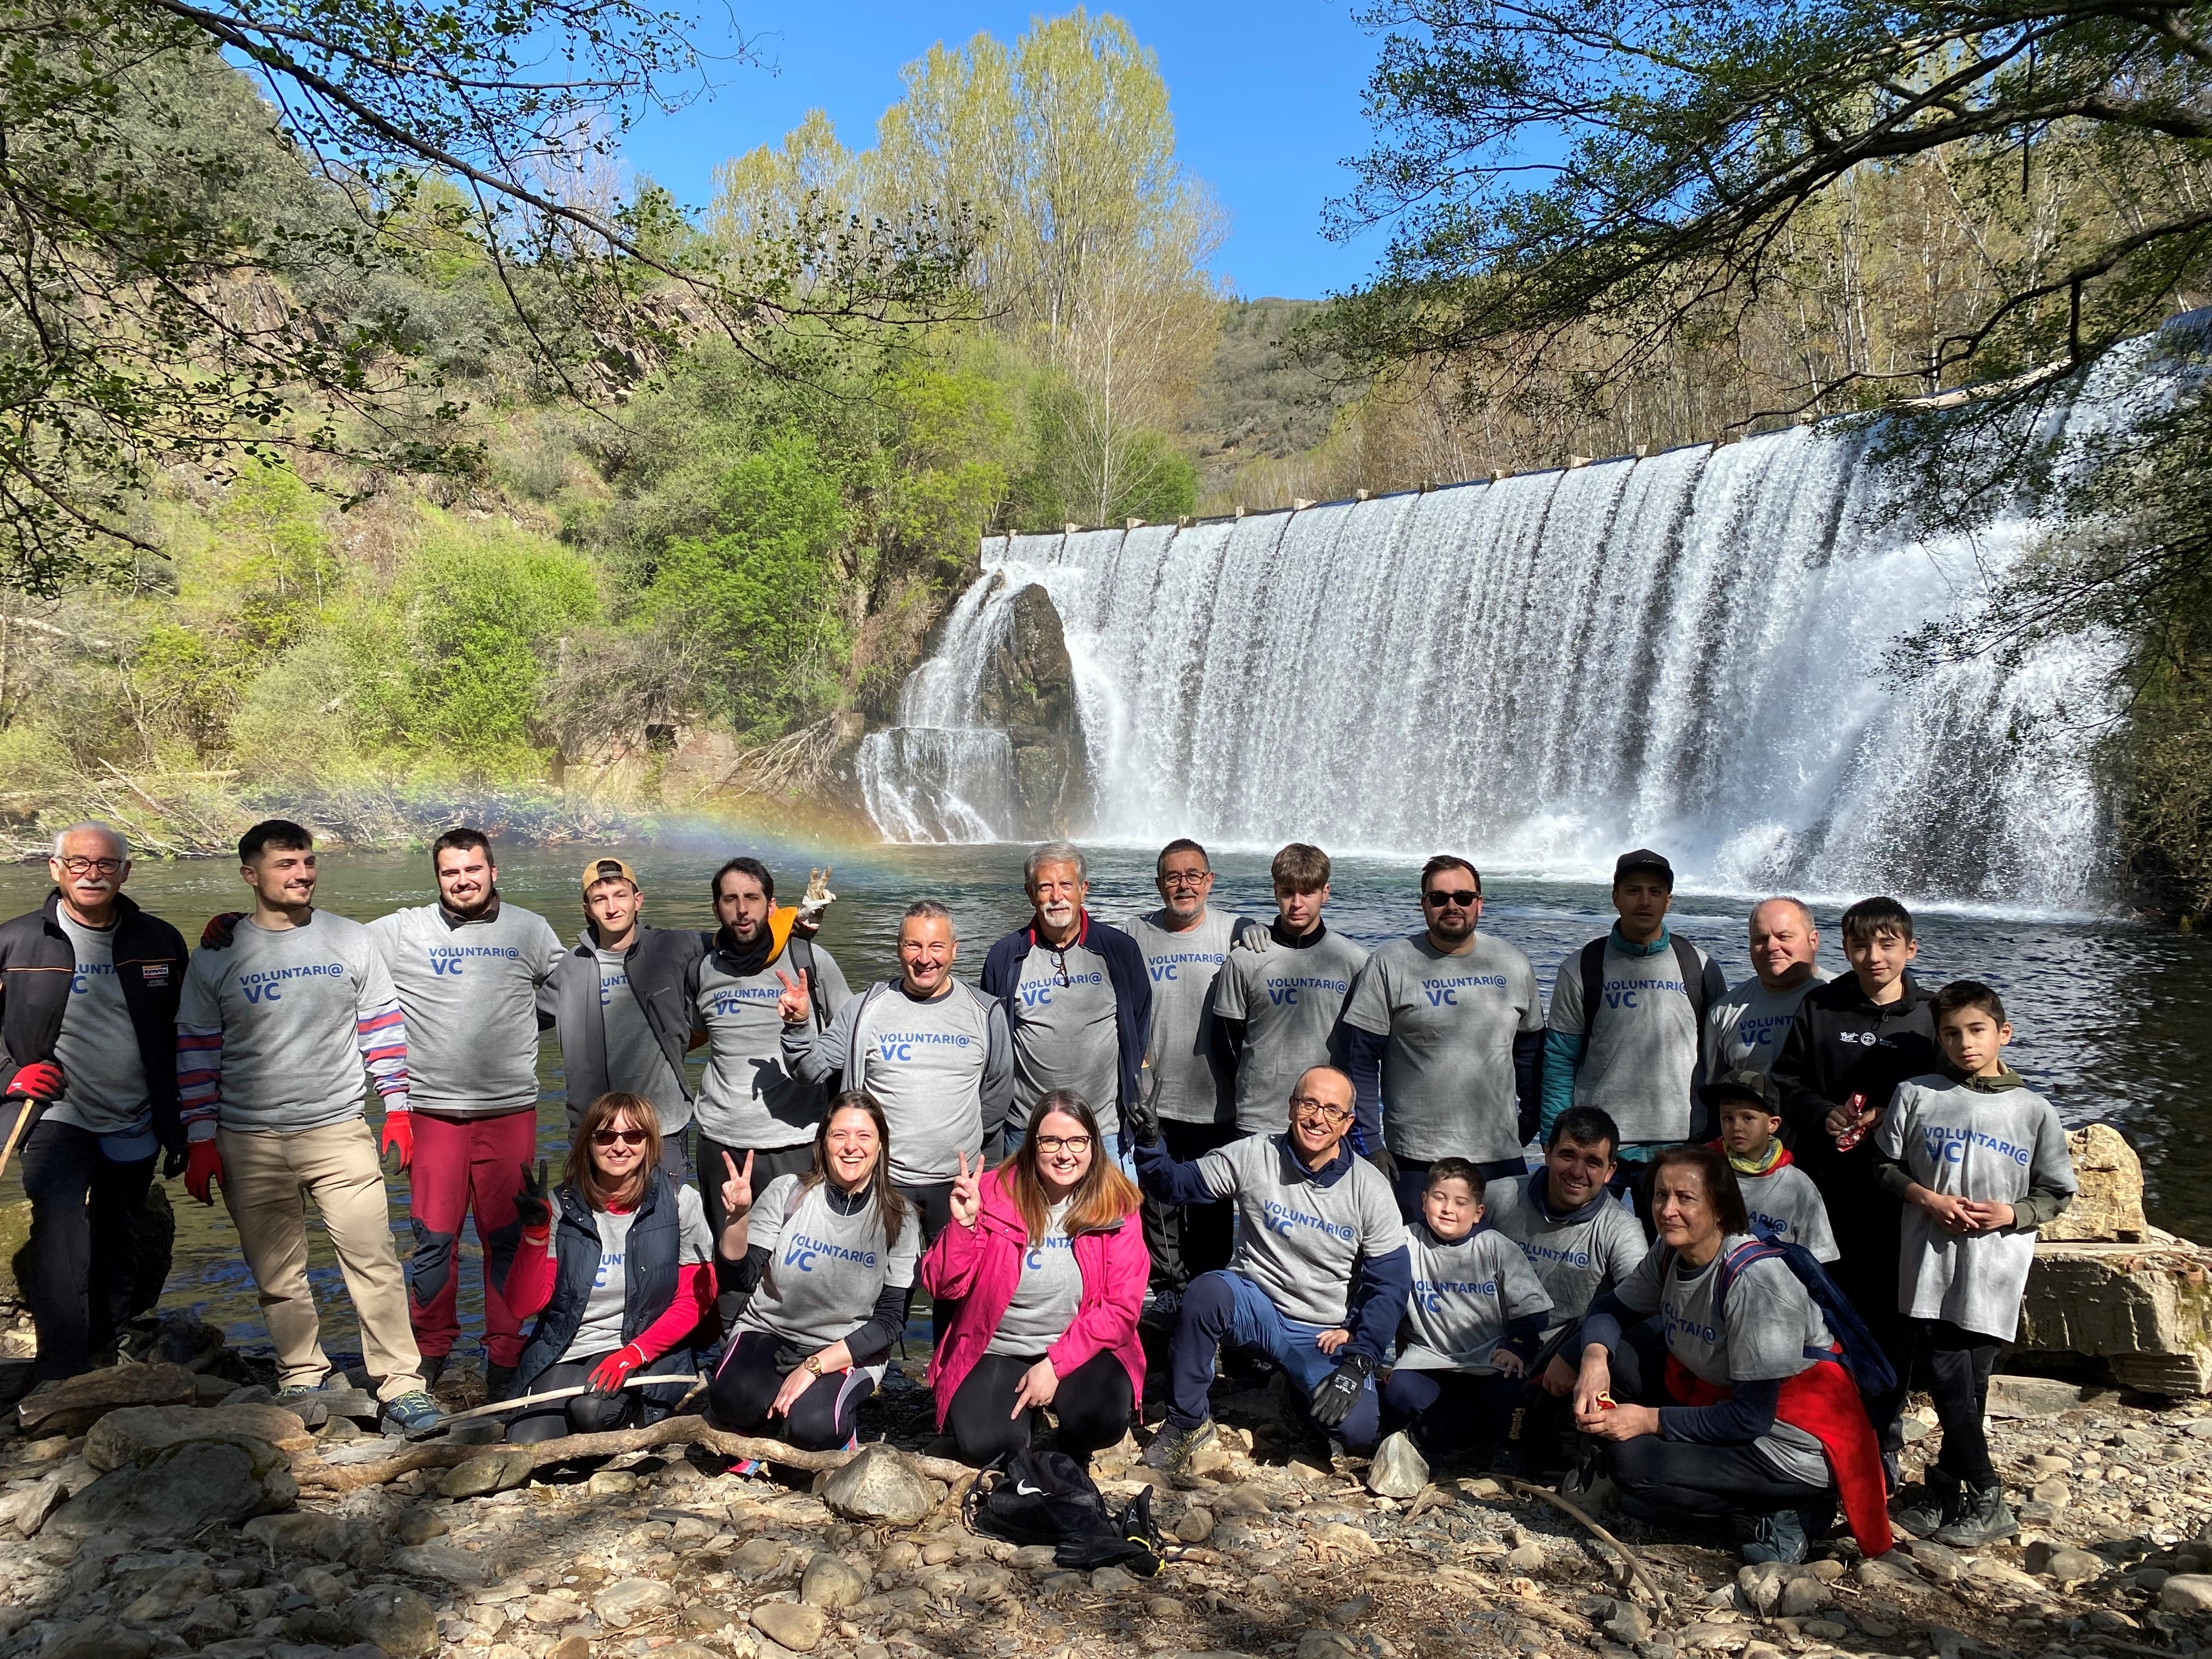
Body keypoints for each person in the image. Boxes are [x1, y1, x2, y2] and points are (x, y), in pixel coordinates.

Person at [175, 820, 443, 1437]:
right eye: (284, 865)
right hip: (249, 1139)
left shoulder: (349, 939)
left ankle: (401, 1384)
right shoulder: (217, 954)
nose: (300, 875)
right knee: (277, 1273)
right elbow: (196, 1049)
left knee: (374, 1260)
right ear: (251, 875)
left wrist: (397, 1107)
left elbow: (381, 1026)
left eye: (306, 862)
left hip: (338, 1130)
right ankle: (301, 1373)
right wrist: (199, 1138)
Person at [1574, 1146, 1892, 1566]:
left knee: (1632, 1464)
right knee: (1618, 1355)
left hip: (1791, 1435)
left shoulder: (1754, 1282)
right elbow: (1610, 1309)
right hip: (1721, 1394)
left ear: (1721, 1208)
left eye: (1685, 1199)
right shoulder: (1671, 1253)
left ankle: (1792, 1505)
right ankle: (1710, 1496)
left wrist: (1646, 1420)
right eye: (1660, 1195)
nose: (1667, 1210)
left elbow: (1750, 1418)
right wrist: (1592, 1363)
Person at [1132, 1065, 1411, 1471]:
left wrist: (1361, 1358)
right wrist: (1152, 1147)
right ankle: (1187, 1422)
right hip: (1255, 1305)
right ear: (1290, 1107)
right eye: (1309, 1104)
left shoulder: (1370, 1188)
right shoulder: (1255, 1153)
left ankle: (1296, 1394)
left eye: (1333, 1110)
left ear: (1349, 1122)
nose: (1318, 1118)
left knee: (1357, 1432)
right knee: (1206, 1292)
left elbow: (1391, 1284)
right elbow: (1178, 1186)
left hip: (1320, 1331)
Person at [365, 828, 562, 1397]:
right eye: (451, 872)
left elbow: (577, 984)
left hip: (508, 1111)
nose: (463, 880)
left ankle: (504, 1354)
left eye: (473, 869)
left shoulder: (530, 929)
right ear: (438, 878)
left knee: (506, 1238)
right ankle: (430, 1352)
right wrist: (241, 927)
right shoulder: (404, 930)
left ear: (494, 870)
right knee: (433, 1240)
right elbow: (332, 948)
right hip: (430, 1112)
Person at [1878, 981, 2076, 1545]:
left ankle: (1976, 1493)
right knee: (1946, 1374)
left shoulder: (2033, 1110)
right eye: (1951, 1033)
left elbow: (2057, 1192)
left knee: (1969, 1380)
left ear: (2002, 1033)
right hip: (1930, 1265)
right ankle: (1957, 1489)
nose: (1964, 1043)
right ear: (1938, 1038)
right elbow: (1883, 1166)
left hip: (1995, 1268)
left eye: (1977, 1031)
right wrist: (1928, 1200)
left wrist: (2011, 1213)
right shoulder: (1918, 1093)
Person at [0, 824, 187, 1380]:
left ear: (126, 872)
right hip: (56, 1112)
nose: (92, 874)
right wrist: (12, 1075)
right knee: (61, 1237)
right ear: (56, 869)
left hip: (135, 1112)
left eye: (106, 865)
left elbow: (189, 1027)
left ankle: (107, 1347)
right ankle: (60, 1367)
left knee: (120, 1229)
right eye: (78, 863)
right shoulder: (16, 941)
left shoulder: (160, 941)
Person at [1769, 895, 1941, 1451]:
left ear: (1911, 949)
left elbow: (1950, 1096)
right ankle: (1821, 1421)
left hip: (1901, 1194)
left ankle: (1883, 1430)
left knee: (1893, 1312)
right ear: (1844, 947)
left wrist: (1894, 1115)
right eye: (1861, 945)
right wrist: (1825, 1114)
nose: (1874, 957)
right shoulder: (1821, 1006)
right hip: (1827, 1186)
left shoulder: (1932, 1018)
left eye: (1888, 945)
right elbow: (1785, 1085)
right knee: (1823, 1300)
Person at [921, 1090, 1149, 1466]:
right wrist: (963, 1226)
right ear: (1032, 1145)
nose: (1065, 1154)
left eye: (1077, 1141)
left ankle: (1062, 1444)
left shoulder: (1118, 1204)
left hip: (1080, 1348)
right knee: (987, 1447)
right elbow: (943, 1286)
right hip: (999, 1346)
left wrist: (1056, 1366)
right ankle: (1024, 1433)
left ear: (1093, 1145)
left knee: (1102, 1421)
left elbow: (1122, 1309)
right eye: (1051, 1141)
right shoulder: (991, 1193)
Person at [781, 900, 1013, 1248]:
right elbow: (810, 1069)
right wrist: (799, 1025)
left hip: (956, 1184)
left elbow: (996, 1095)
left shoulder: (985, 1012)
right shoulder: (864, 1008)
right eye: (913, 945)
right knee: (883, 1297)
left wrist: (959, 1141)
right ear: (899, 948)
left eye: (936, 946)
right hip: (880, 1183)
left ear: (954, 949)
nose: (925, 958)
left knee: (955, 1291)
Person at [707, 1092, 917, 1455]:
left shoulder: (900, 1217)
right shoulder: (788, 1193)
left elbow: (889, 1323)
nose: (851, 1147)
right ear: (823, 1142)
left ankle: (806, 1412)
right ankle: (764, 1410)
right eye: (839, 1135)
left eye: (864, 1136)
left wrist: (814, 1367)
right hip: (769, 1329)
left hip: (843, 1348)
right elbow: (738, 1278)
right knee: (732, 1401)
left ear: (880, 1145)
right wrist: (737, 1218)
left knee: (814, 1430)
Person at [502, 1091, 715, 1442]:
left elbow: (696, 1299)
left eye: (633, 1136)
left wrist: (635, 1352)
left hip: (646, 1347)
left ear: (649, 1144)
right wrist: (535, 1235)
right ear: (588, 1142)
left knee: (593, 1412)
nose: (619, 1147)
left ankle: (635, 1425)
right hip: (569, 1346)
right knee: (526, 1442)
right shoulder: (558, 1206)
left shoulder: (680, 1202)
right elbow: (523, 1306)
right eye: (605, 1136)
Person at [689, 857, 851, 1313]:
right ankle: (730, 1355)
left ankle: (802, 1348)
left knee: (799, 1259)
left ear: (771, 905)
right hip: (721, 1141)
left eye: (752, 899)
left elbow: (850, 1036)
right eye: (731, 900)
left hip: (795, 1142)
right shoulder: (703, 970)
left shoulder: (810, 961)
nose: (742, 910)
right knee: (731, 1260)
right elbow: (688, 1033)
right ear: (718, 908)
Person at [1341, 856, 1543, 1218]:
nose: (1452, 906)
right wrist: (1370, 1143)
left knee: (1501, 1267)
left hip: (1500, 1157)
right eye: (1439, 898)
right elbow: (1360, 1060)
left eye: (1464, 897)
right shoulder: (1389, 963)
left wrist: (1529, 1121)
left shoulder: (1514, 963)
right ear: (1424, 905)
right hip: (1415, 1158)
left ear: (1479, 903)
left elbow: (1530, 1054)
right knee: (1417, 1269)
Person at [1122, 839, 1265, 1308]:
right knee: (1158, 1209)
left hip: (1217, 1101)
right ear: (1159, 884)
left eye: (1192, 875)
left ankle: (1207, 1301)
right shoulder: (1134, 935)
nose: (1183, 885)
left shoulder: (1238, 933)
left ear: (1209, 881)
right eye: (1172, 877)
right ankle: (1166, 1298)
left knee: (1211, 1209)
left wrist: (1265, 932)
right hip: (1153, 1102)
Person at [1541, 850, 1727, 1195]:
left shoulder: (1700, 967)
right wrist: (1554, 1137)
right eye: (1634, 890)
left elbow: (1719, 1061)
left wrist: (1717, 1137)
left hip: (1680, 1145)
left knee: (1676, 1247)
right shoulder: (1581, 967)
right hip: (1596, 1145)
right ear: (1616, 897)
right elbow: (1559, 1060)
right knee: (1588, 1244)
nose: (1645, 901)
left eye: (1655, 892)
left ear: (1669, 901)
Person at [1481, 1106, 1649, 1470]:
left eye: (1593, 1162)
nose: (1577, 1172)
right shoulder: (1497, 1197)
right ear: (1547, 1152)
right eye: (1568, 1155)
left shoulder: (1621, 1229)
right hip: (1483, 1343)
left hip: (1556, 1360)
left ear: (1610, 1172)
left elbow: (1642, 1308)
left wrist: (1577, 1355)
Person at [981, 842, 1150, 1166]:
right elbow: (995, 1039)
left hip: (1107, 1130)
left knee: (1112, 1217)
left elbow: (1138, 1024)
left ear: (1083, 890)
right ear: (1031, 894)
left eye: (1066, 885)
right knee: (1025, 1218)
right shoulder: (1004, 956)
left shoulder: (1120, 950)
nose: (1057, 896)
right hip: (1026, 1129)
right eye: (1045, 886)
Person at [1379, 1158, 1551, 1462]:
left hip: (1489, 1360)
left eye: (1461, 1203)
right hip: (1433, 1359)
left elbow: (1533, 1312)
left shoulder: (1497, 1248)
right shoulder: (1406, 1242)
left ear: (1478, 1212)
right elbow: (1380, 1292)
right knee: (1399, 1393)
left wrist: (1517, 1348)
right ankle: (1456, 1432)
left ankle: (1511, 1450)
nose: (1448, 1209)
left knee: (1510, 1393)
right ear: (1423, 1201)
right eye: (1439, 1198)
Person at [544, 857, 704, 1182]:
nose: (612, 907)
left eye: (620, 896)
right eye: (600, 899)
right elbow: (521, 1019)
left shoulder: (673, 946)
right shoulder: (571, 967)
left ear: (638, 900)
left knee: (667, 1225)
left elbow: (742, 945)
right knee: (592, 1229)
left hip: (662, 1127)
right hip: (594, 1131)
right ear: (588, 909)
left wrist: (796, 925)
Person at [1209, 844, 1368, 1135]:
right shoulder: (1245, 958)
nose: (1297, 903)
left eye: (1307, 893)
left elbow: (1363, 1049)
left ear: (1326, 892)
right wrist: (1259, 1082)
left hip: (1328, 1120)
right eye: (1287, 892)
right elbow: (1226, 1043)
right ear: (1275, 892)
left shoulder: (1355, 961)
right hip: (1259, 1118)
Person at [1706, 1069, 1838, 1261]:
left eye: (1748, 1118)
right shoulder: (1703, 1173)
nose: (1736, 1127)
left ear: (1773, 1124)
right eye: (1728, 1118)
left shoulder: (1798, 1186)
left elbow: (1818, 1256)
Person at [1708, 899, 1828, 1076]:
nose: (1772, 947)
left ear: (1814, 941)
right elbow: (1712, 1091)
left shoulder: (1851, 998)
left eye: (1784, 937)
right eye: (1761, 939)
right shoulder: (1724, 1013)